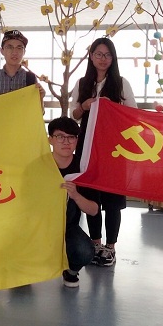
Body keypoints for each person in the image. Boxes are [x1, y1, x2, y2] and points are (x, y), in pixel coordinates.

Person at [69, 37, 137, 267]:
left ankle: (111, 247)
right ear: (91, 56)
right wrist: (85, 105)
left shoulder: (121, 83)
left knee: (113, 200)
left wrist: (113, 108)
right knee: (91, 195)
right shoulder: (82, 83)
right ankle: (96, 244)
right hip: (88, 148)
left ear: (113, 58)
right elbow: (74, 116)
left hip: (114, 149)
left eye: (107, 55)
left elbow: (133, 115)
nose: (103, 59)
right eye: (98, 54)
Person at [48, 116, 97, 288]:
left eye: (71, 137)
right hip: (36, 225)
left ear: (77, 140)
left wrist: (76, 195)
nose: (66, 142)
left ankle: (71, 271)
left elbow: (93, 210)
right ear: (50, 140)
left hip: (67, 227)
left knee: (84, 251)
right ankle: (24, 273)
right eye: (60, 136)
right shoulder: (39, 165)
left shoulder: (83, 169)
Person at [0, 29, 45, 102]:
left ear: (24, 52)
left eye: (19, 48)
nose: (14, 52)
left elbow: (35, 108)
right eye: (10, 47)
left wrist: (40, 98)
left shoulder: (30, 78)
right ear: (2, 51)